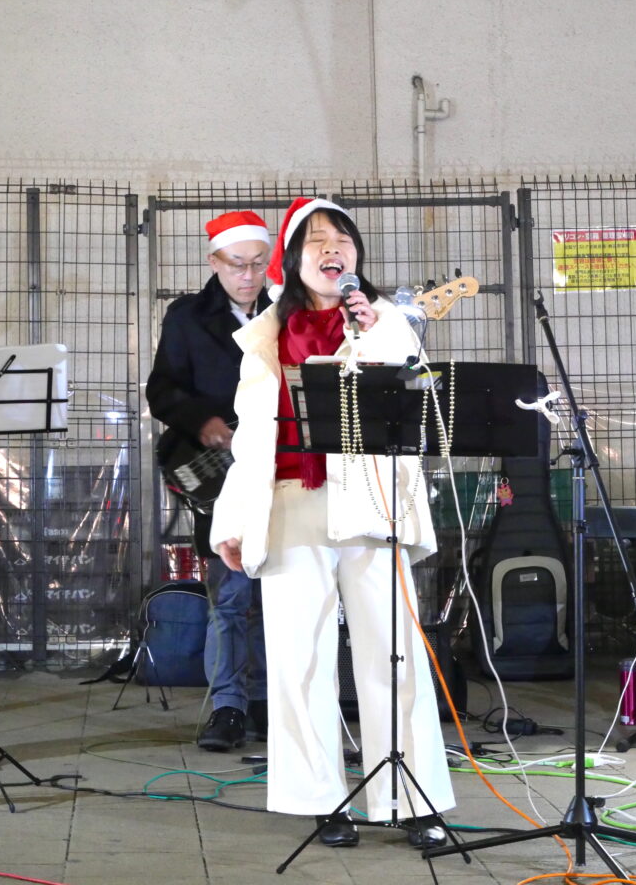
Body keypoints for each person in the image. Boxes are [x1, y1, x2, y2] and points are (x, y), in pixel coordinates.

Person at [210, 198, 455, 849]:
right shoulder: (264, 338)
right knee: (302, 658)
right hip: (291, 503)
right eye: (317, 238)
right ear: (293, 260)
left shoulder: (386, 323)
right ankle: (321, 797)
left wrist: (377, 331)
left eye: (342, 238)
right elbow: (249, 443)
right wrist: (232, 522)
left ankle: (413, 799)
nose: (333, 247)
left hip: (370, 501)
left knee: (394, 652)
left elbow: (423, 397)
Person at [146, 210, 272, 751]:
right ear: (214, 263)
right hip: (217, 472)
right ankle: (227, 706)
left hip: (277, 464)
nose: (249, 275)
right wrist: (204, 422)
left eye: (259, 263)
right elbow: (162, 390)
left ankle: (271, 700)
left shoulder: (286, 315)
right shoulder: (187, 317)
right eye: (237, 264)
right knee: (231, 592)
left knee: (279, 589)